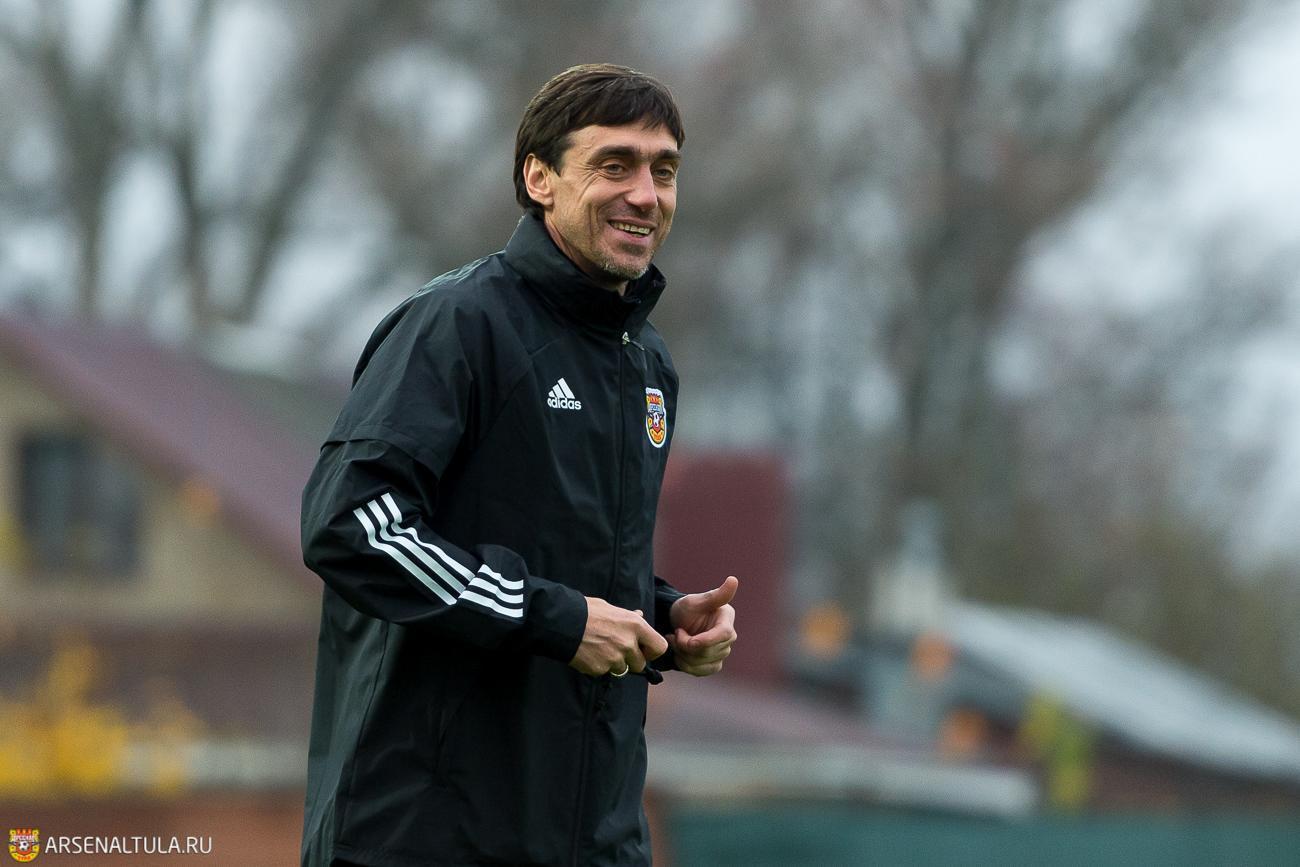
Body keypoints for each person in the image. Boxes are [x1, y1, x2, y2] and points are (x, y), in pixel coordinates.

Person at [299, 63, 739, 867]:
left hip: (593, 841)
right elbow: (352, 523)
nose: (646, 194)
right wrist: (557, 618)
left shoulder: (647, 364)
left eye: (664, 170)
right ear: (540, 178)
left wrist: (664, 620)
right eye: (615, 164)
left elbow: (566, 562)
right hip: (424, 840)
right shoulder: (457, 323)